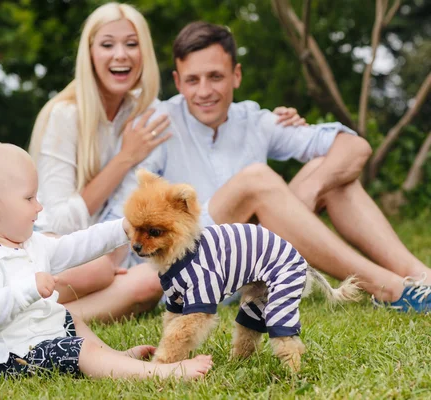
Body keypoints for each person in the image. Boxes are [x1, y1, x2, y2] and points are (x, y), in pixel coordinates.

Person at [103, 21, 431, 313]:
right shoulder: (158, 125)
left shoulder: (255, 120)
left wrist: (312, 191)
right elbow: (126, 215)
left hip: (250, 261)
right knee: (255, 181)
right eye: (193, 80)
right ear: (177, 80)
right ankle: (387, 288)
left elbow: (355, 146)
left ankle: (421, 278)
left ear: (236, 75)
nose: (204, 91)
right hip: (187, 268)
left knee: (329, 171)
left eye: (215, 76)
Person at [28, 2, 306, 322]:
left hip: (119, 248)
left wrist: (280, 117)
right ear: (89, 54)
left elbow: (205, 111)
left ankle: (47, 322)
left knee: (142, 286)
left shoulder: (145, 112)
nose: (121, 54)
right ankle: (13, 312)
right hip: (69, 247)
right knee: (101, 273)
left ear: (143, 53)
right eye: (107, 44)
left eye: (131, 44)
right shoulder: (66, 115)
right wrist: (125, 158)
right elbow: (59, 222)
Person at [0, 140, 213, 380]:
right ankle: (161, 373)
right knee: (80, 351)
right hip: (7, 358)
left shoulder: (31, 244)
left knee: (69, 318)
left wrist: (121, 228)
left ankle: (114, 358)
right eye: (29, 198)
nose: (39, 206)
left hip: (38, 339)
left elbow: (78, 245)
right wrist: (28, 289)